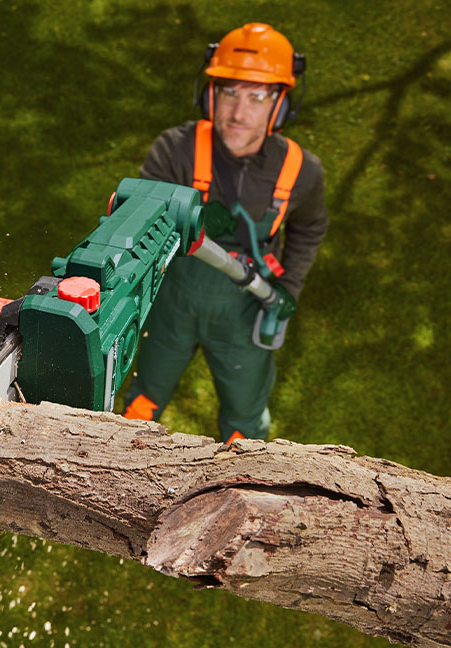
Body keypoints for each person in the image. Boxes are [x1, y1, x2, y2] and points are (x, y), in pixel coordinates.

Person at [122, 23, 328, 444]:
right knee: (142, 401)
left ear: (282, 105)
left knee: (244, 421)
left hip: (247, 306)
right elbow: (136, 224)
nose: (238, 112)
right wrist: (186, 215)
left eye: (257, 96)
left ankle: (242, 478)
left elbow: (310, 227)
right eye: (229, 92)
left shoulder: (301, 171)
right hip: (174, 296)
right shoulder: (176, 149)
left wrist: (289, 286)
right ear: (208, 93)